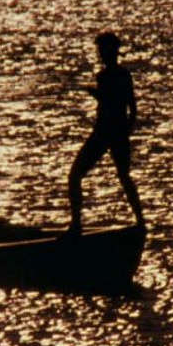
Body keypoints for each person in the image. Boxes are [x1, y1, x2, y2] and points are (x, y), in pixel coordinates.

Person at [67, 32, 146, 235]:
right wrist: (125, 130)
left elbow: (120, 104)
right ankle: (140, 221)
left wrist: (97, 95)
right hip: (111, 131)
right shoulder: (115, 76)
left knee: (77, 175)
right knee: (120, 176)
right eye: (100, 50)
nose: (102, 54)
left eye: (104, 50)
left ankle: (77, 226)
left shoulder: (112, 77)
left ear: (113, 51)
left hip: (107, 132)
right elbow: (130, 108)